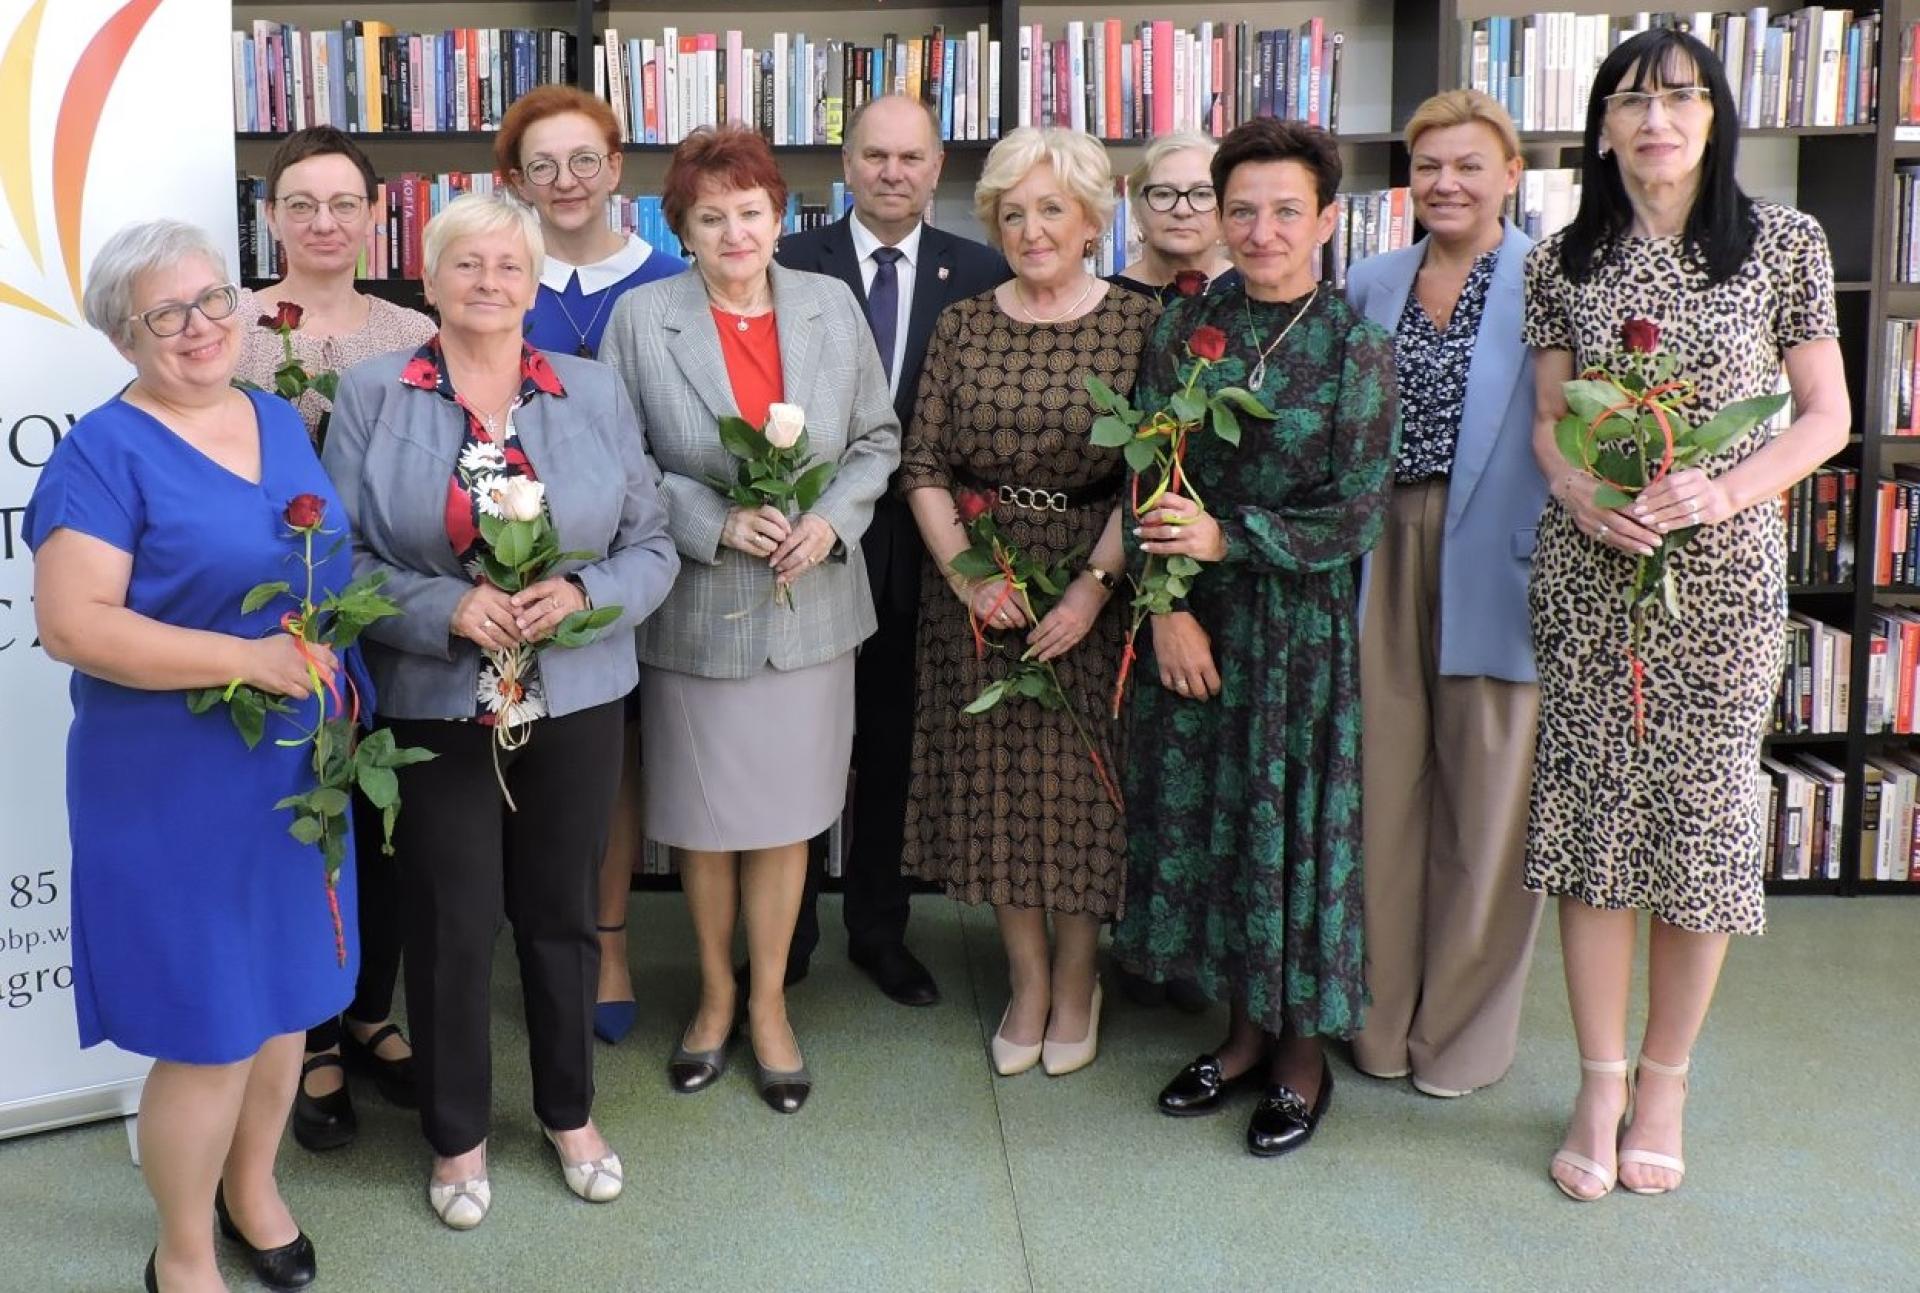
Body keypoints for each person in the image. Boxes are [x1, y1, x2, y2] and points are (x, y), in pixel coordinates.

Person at [1523, 29, 1847, 1202]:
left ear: (1715, 117)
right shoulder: (1561, 261)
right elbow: (1552, 421)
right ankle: (1598, 1078)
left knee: (1701, 828)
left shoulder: (1786, 245)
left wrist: (1725, 486)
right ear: (1602, 126)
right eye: (1632, 99)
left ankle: (1666, 1079)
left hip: (1723, 579)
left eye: (1681, 97)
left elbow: (1824, 416)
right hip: (1592, 571)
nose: (1656, 119)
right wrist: (1572, 488)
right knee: (1595, 829)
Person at [322, 192, 678, 1228]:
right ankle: (456, 1136)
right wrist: (443, 606)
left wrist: (581, 595)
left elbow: (650, 545)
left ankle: (568, 1112)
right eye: (467, 266)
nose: (489, 284)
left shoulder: (594, 390)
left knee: (562, 915)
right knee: (451, 918)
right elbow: (336, 558)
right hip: (436, 697)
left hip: (572, 694)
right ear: (427, 282)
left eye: (508, 267)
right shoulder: (374, 393)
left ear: (534, 282)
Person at [26, 219, 364, 1292]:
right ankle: (181, 1252)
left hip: (293, 772)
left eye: (213, 299)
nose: (200, 326)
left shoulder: (272, 415)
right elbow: (75, 625)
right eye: (166, 314)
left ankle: (252, 1189)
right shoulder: (101, 456)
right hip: (171, 784)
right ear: (126, 337)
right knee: (211, 1029)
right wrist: (249, 660)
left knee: (283, 1009)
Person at [1110, 118, 1399, 1158]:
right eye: (1243, 210)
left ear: (1328, 218)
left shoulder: (1358, 348)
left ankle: (1300, 1058)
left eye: (1286, 211)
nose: (1262, 230)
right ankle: (1236, 1037)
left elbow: (1355, 511)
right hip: (1193, 617)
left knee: (1294, 833)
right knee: (1214, 830)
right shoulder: (1186, 327)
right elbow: (1147, 466)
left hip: (1293, 630)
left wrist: (1230, 538)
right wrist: (1171, 604)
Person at [598, 126, 900, 1114]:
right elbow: (622, 458)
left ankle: (770, 1002)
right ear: (680, 227)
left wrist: (829, 522)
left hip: (813, 606)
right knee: (709, 824)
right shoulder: (644, 321)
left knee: (784, 824)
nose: (735, 231)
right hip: (699, 608)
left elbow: (875, 441)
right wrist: (713, 521)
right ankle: (715, 996)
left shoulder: (828, 306)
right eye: (710, 216)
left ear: (781, 217)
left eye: (752, 212)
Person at [899, 125, 1148, 1078]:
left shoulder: (1136, 323)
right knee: (999, 789)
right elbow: (923, 463)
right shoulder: (964, 322)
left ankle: (1079, 982)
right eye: (1013, 212)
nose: (1033, 228)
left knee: (1086, 792)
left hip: (1096, 580)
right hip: (981, 585)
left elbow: (1152, 468)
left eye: (1052, 208)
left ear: (1091, 218)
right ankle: (1028, 980)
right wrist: (968, 572)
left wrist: (1092, 588)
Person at [775, 93, 1008, 1006]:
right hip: (803, 546)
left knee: (892, 749)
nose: (892, 173)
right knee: (798, 750)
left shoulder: (981, 268)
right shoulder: (790, 259)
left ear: (937, 165)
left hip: (925, 555)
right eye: (875, 156)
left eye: (911, 158)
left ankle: (878, 928)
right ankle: (786, 934)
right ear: (845, 160)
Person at [232, 124, 437, 1154]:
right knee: (292, 827)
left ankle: (369, 1009)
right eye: (300, 204)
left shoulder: (410, 337)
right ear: (270, 218)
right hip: (259, 624)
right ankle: (308, 1030)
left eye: (342, 203)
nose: (322, 222)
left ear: (373, 213)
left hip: (382, 618)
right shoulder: (222, 328)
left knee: (382, 818)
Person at [1343, 90, 1547, 1099]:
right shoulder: (1370, 282)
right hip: (1380, 555)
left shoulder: (1556, 279)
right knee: (1382, 799)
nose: (1447, 184)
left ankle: (1460, 1039)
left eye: (1470, 165)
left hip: (1502, 568)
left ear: (1510, 174)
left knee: (1487, 808)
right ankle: (1377, 1022)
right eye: (1428, 166)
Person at [497, 83, 689, 1046]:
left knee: (618, 756)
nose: (565, 181)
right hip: (518, 570)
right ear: (514, 182)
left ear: (617, 170)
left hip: (647, 559)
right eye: (542, 165)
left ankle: (606, 937)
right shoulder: (495, 277)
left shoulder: (668, 281)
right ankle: (540, 936)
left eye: (584, 160)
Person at [1108, 129, 1241, 308]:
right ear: (1137, 211)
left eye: (1202, 194)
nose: (1182, 210)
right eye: (1163, 194)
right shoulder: (1102, 304)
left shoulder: (1255, 290)